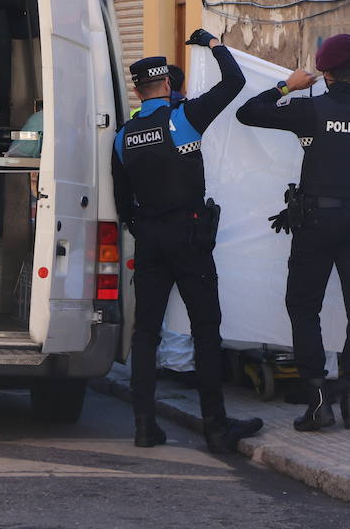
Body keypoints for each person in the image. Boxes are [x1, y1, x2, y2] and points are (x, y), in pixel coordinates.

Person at [236, 34, 350, 432]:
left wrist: (286, 86)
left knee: (303, 306)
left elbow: (248, 112)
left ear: (324, 72)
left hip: (315, 223)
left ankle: (316, 403)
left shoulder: (309, 109)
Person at [111, 28, 263, 454]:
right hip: (189, 235)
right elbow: (234, 82)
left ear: (139, 90)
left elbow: (125, 203)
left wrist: (145, 230)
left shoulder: (123, 136)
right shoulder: (184, 118)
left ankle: (144, 426)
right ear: (166, 86)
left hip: (151, 239)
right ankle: (216, 427)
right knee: (205, 330)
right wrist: (213, 45)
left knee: (146, 333)